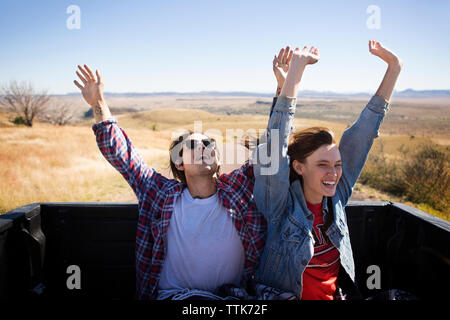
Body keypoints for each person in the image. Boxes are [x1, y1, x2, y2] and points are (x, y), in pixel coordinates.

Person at [73, 65, 267, 300]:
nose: (204, 147)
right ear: (179, 163)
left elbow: (272, 152)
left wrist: (284, 87)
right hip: (173, 297)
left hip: (231, 299)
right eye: (193, 145)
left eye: (209, 143)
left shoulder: (239, 189)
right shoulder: (160, 194)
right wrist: (98, 102)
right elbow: (121, 154)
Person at [253, 40, 403, 299]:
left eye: (337, 165)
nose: (333, 173)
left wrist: (394, 68)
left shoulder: (336, 198)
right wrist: (294, 76)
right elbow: (274, 146)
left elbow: (364, 132)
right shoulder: (279, 207)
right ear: (299, 167)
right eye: (322, 165)